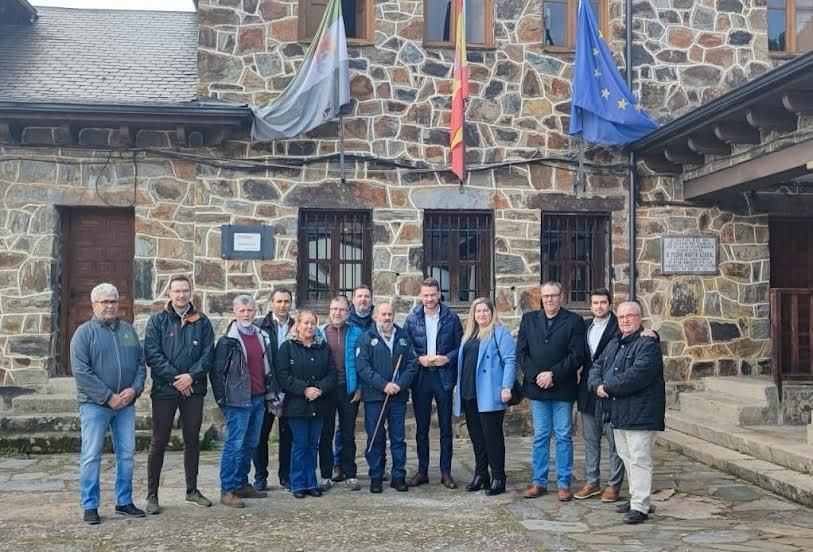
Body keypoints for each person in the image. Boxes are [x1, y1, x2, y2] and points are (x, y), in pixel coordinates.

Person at [70, 282, 146, 525]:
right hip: (95, 406)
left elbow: (140, 364)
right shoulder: (83, 334)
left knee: (126, 455)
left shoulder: (127, 331)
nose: (110, 306)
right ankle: (90, 505)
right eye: (105, 302)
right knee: (91, 455)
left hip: (125, 406)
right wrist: (108, 397)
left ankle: (124, 502)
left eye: (113, 301)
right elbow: (82, 372)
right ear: (94, 305)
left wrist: (133, 390)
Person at [588, 301, 665, 525]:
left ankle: (641, 506)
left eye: (630, 316)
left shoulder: (647, 344)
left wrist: (607, 387)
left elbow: (637, 376)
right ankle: (636, 499)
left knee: (640, 458)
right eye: (621, 317)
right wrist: (596, 385)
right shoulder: (615, 343)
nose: (625, 320)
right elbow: (596, 366)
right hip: (619, 412)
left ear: (640, 318)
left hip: (641, 413)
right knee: (627, 457)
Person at [144, 275, 215, 514]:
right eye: (177, 291)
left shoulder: (202, 321)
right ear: (170, 293)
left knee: (192, 439)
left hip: (193, 390)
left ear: (191, 292)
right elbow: (152, 355)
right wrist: (177, 378)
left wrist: (190, 377)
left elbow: (208, 355)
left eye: (185, 290)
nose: (181, 295)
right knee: (159, 441)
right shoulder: (157, 321)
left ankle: (191, 490)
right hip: (165, 390)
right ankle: (152, 495)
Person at [517, 281, 585, 501]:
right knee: (541, 435)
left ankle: (564, 483)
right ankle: (539, 482)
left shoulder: (574, 321)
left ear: (561, 296)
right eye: (545, 296)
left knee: (564, 435)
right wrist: (537, 375)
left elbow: (577, 355)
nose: (549, 300)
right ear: (541, 298)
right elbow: (522, 352)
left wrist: (553, 374)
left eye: (553, 296)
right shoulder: (529, 320)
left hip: (562, 387)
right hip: (538, 388)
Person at [211, 295, 276, 508]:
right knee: (234, 445)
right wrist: (223, 401)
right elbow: (217, 373)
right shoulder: (227, 341)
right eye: (242, 311)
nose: (246, 314)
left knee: (251, 443)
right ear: (235, 312)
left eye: (250, 310)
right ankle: (227, 490)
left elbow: (266, 366)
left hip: (258, 397)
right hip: (237, 401)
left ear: (255, 311)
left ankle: (241, 483)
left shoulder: (261, 336)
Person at [404, 277, 463, 489]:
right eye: (425, 295)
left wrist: (447, 358)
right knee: (422, 428)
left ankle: (446, 472)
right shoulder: (412, 320)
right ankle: (422, 471)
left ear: (439, 294)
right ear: (421, 296)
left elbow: (460, 347)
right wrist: (417, 358)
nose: (429, 299)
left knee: (446, 427)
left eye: (432, 294)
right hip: (421, 377)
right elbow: (405, 347)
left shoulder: (451, 318)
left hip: (443, 375)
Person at [453, 297, 516, 496]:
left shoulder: (500, 332)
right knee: (477, 438)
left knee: (493, 437)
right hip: (470, 392)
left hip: (489, 393)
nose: (481, 314)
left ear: (492, 313)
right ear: (473, 314)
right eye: (478, 311)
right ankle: (481, 474)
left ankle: (498, 477)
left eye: (485, 311)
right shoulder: (469, 334)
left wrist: (507, 386)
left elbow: (510, 360)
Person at [356, 303, 418, 493]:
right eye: (383, 314)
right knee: (376, 437)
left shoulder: (403, 337)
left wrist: (399, 385)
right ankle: (376, 475)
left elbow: (412, 365)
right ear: (376, 316)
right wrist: (384, 385)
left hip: (398, 397)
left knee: (398, 438)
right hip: (375, 397)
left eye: (390, 314)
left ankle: (398, 476)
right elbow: (363, 368)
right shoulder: (366, 338)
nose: (387, 317)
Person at [276, 310, 337, 499]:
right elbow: (283, 375)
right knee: (300, 445)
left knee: (313, 445)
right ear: (298, 325)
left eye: (312, 323)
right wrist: (304, 389)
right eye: (305, 323)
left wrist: (318, 388)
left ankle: (311, 482)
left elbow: (332, 374)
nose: (309, 327)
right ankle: (298, 484)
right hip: (296, 406)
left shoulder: (323, 348)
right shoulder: (287, 347)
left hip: (318, 404)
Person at [574, 288, 624, 503]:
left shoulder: (619, 326)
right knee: (590, 439)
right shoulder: (584, 327)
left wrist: (654, 333)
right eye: (595, 303)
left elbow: (640, 333)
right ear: (590, 305)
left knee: (615, 442)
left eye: (603, 302)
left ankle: (614, 485)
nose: (599, 306)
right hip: (587, 389)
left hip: (612, 390)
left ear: (610, 304)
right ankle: (592, 481)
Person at [331, 284, 376, 483]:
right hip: (346, 384)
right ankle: (338, 465)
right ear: (354, 301)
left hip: (372, 382)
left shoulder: (376, 319)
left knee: (374, 426)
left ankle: (376, 465)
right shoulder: (346, 324)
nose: (363, 299)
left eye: (367, 296)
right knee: (344, 428)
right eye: (360, 296)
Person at [252, 288, 295, 492]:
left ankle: (286, 476)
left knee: (288, 436)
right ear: (271, 303)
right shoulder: (259, 326)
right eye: (279, 301)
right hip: (265, 389)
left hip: (289, 390)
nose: (283, 305)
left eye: (286, 301)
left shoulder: (297, 326)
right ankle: (260, 476)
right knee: (261, 436)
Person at [320, 295, 363, 491]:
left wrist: (360, 387)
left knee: (348, 434)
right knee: (326, 433)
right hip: (327, 392)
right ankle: (326, 474)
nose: (337, 313)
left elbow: (363, 363)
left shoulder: (357, 332)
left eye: (342, 310)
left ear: (348, 312)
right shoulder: (320, 333)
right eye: (334, 309)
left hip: (349, 390)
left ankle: (350, 473)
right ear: (330, 311)